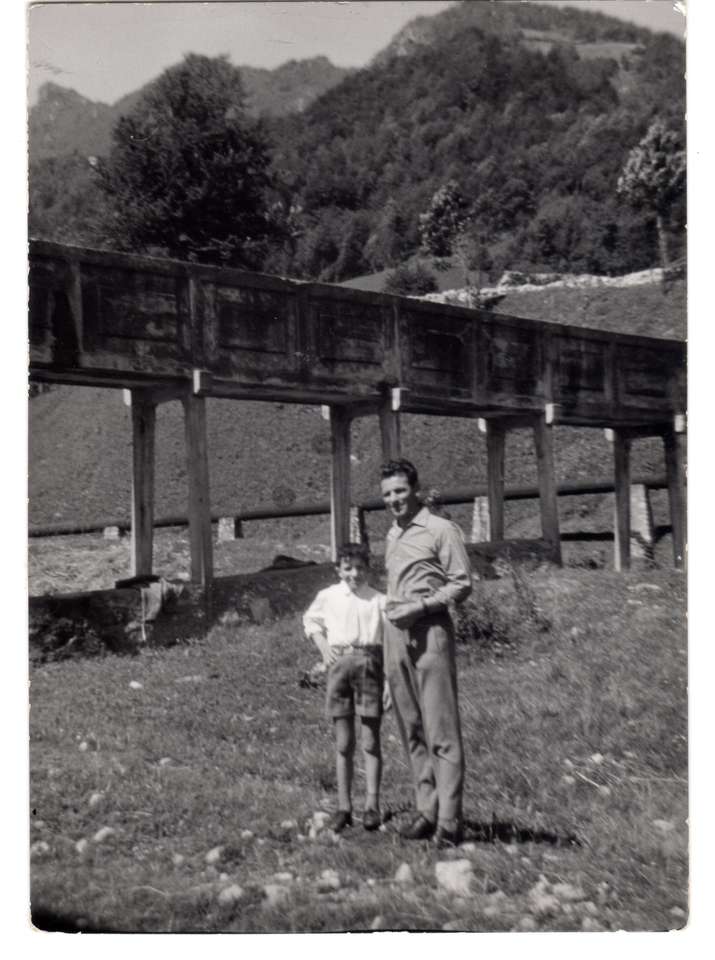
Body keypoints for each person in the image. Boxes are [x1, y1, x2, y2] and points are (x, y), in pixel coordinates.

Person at [381, 458, 472, 847]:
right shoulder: (392, 534)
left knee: (441, 729)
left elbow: (462, 583)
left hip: (429, 630)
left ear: (415, 490)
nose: (394, 500)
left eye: (400, 491)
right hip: (395, 635)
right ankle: (427, 809)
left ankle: (450, 822)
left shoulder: (440, 529)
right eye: (387, 494)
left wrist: (419, 608)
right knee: (411, 726)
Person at [303, 543, 387, 833]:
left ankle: (372, 805)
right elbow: (310, 621)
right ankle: (344, 806)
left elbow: (389, 642)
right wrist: (324, 648)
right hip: (339, 668)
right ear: (338, 570)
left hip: (370, 665)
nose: (354, 574)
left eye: (360, 568)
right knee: (343, 743)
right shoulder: (327, 597)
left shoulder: (379, 600)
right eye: (348, 568)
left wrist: (387, 681)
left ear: (369, 569)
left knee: (371, 741)